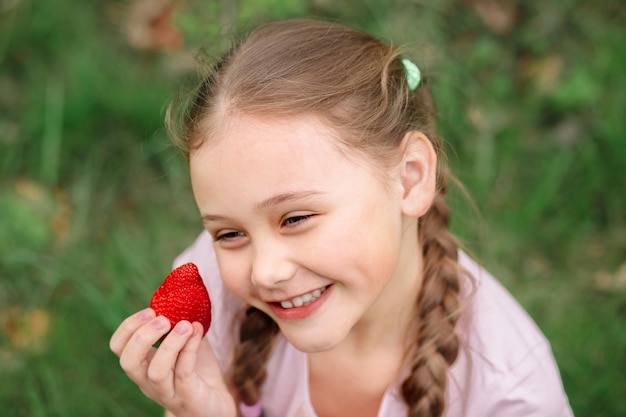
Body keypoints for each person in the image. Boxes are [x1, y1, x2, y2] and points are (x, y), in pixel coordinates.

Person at [109, 19, 574, 417]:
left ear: (410, 178)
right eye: (229, 232)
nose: (265, 270)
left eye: (295, 218)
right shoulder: (213, 286)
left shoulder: (508, 391)